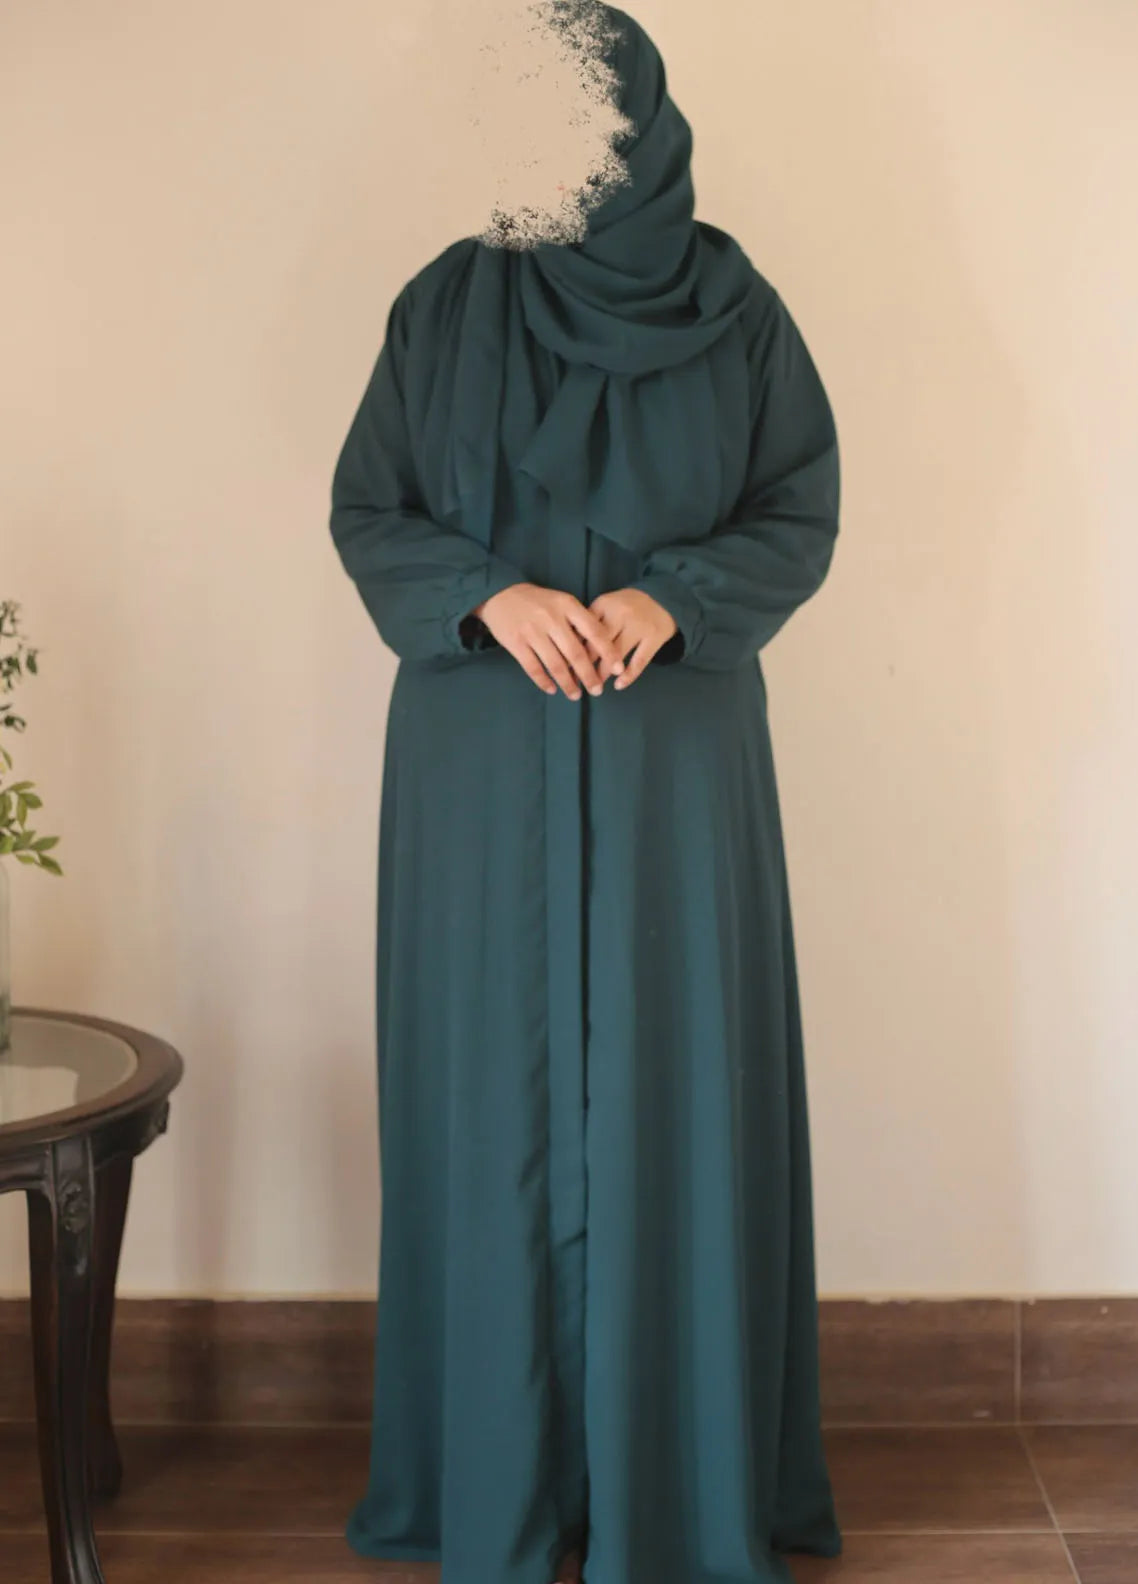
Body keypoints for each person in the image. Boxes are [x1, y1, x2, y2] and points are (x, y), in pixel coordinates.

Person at [328, 6, 843, 1581]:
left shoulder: (739, 312)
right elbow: (368, 508)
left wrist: (673, 596)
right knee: (490, 1103)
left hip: (671, 759)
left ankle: (671, 1496)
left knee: (671, 1095)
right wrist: (485, 594)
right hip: (479, 771)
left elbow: (798, 509)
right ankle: (499, 1482)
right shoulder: (444, 303)